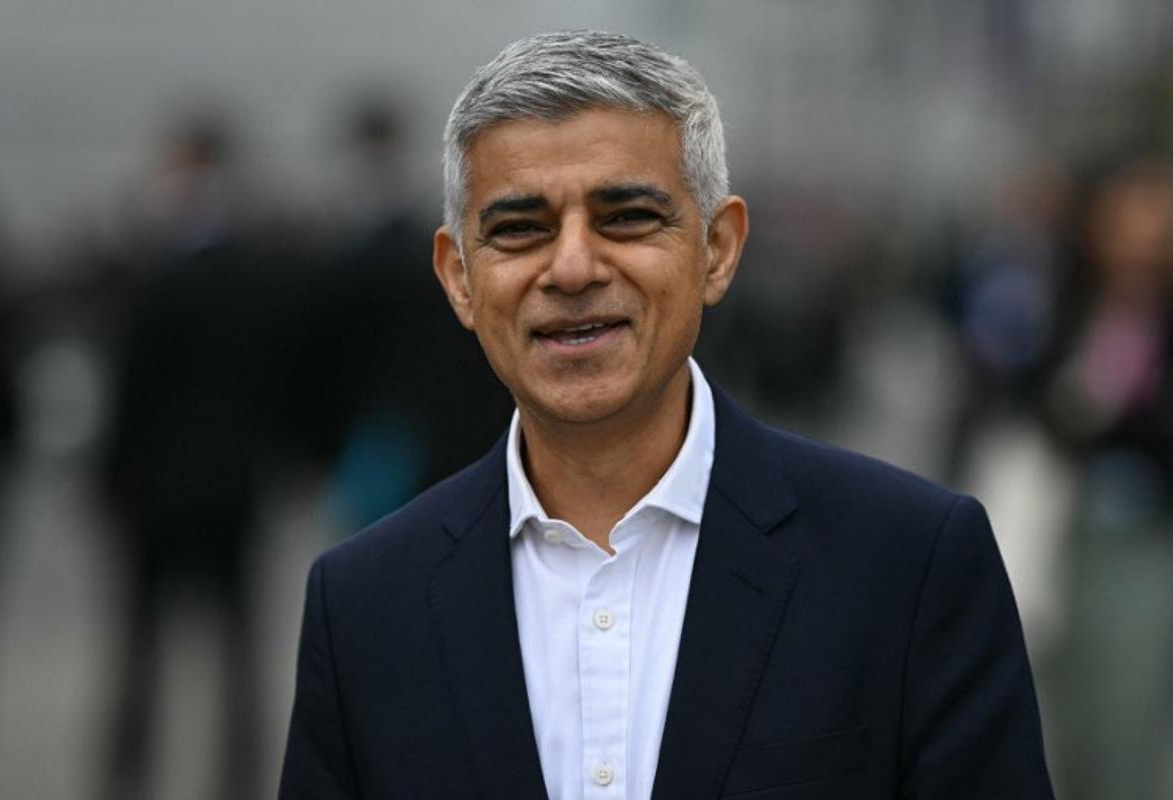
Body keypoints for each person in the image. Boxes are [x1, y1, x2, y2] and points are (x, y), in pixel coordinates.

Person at [280, 31, 1055, 799]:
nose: (574, 267)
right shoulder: (363, 608)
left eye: (626, 217)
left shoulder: (909, 565)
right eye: (520, 229)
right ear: (458, 278)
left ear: (718, 249)